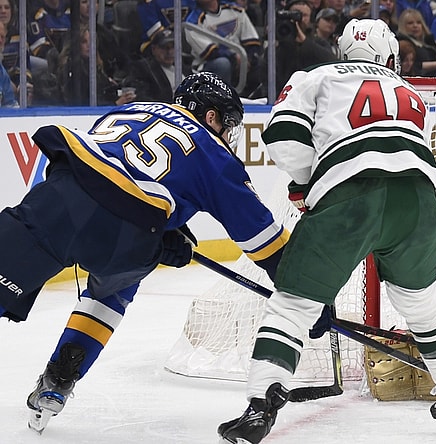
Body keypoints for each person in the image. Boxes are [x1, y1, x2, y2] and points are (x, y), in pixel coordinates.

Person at [218, 18, 436, 443]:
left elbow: (283, 136)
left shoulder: (316, 75)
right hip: (418, 199)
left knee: (292, 308)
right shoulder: (408, 90)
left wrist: (306, 183)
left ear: (344, 51)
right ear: (389, 56)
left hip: (351, 196)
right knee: (423, 304)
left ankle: (259, 407)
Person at [2, 72, 289, 432]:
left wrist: (160, 231)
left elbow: (110, 169)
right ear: (211, 116)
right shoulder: (215, 154)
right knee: (114, 289)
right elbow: (265, 241)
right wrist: (306, 292)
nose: (227, 135)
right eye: (228, 124)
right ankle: (61, 377)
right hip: (127, 240)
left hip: (63, 199)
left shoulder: (132, 110)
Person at [184, 0, 264, 97]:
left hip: (241, 61)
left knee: (261, 61)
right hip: (207, 66)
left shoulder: (235, 10)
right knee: (223, 64)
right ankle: (222, 99)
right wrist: (235, 58)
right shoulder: (193, 22)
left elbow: (252, 42)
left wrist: (248, 59)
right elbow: (211, 53)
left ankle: (254, 97)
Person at [56, 26, 137, 106]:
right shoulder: (73, 69)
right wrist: (115, 104)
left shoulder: (94, 67)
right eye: (84, 42)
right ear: (75, 45)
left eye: (91, 41)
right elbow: (82, 103)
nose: (89, 45)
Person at [122, 28, 191, 102]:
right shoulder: (142, 69)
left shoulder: (183, 66)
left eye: (172, 47)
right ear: (154, 49)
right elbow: (141, 97)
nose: (169, 52)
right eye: (164, 47)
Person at [397, 7, 436, 75]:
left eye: (418, 22)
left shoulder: (429, 41)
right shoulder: (402, 44)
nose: (415, 26)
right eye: (410, 23)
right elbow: (413, 65)